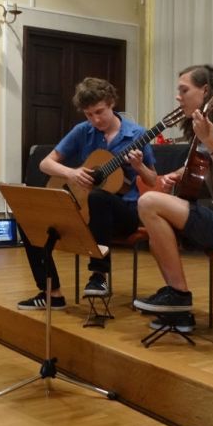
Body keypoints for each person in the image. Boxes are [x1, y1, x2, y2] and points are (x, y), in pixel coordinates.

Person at [133, 64, 213, 332]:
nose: (178, 96)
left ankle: (179, 297)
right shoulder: (207, 127)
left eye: (184, 90)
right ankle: (179, 311)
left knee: (148, 203)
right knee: (157, 228)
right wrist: (175, 175)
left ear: (205, 91)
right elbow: (201, 167)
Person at [17, 77, 157, 310]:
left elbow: (152, 179)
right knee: (29, 221)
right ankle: (52, 293)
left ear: (111, 102)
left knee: (99, 197)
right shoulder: (83, 131)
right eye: (89, 114)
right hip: (86, 213)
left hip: (125, 214)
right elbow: (45, 164)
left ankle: (99, 276)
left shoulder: (137, 135)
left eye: (99, 112)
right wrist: (72, 173)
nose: (95, 120)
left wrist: (139, 166)